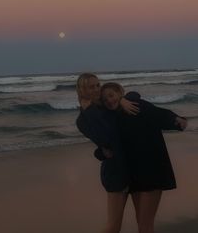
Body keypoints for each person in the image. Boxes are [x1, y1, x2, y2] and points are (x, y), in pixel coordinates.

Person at [76, 74, 187, 233]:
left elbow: (152, 112)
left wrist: (123, 99)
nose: (96, 90)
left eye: (97, 85)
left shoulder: (115, 106)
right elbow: (107, 138)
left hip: (141, 171)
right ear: (81, 90)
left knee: (144, 226)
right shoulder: (85, 119)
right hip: (117, 174)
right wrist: (100, 151)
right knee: (114, 227)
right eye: (90, 87)